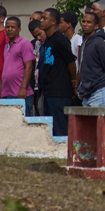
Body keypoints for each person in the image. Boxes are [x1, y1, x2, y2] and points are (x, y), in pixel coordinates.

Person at [37, 8, 77, 137]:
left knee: (61, 130)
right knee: (49, 131)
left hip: (60, 92)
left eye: (44, 18)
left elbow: (71, 62)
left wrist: (73, 82)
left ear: (53, 21)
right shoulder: (48, 40)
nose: (41, 21)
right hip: (48, 92)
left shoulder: (60, 39)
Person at [76, 11, 105, 107]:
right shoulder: (84, 42)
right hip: (86, 92)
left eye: (89, 22)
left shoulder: (99, 42)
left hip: (99, 91)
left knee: (99, 121)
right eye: (84, 21)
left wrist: (101, 80)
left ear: (96, 26)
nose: (85, 24)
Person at [0, 17, 35, 115]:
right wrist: (0, 86)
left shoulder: (25, 44)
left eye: (13, 27)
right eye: (7, 27)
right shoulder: (6, 46)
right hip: (7, 93)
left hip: (20, 93)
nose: (10, 29)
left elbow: (29, 67)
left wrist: (23, 88)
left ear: (19, 29)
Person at [29, 19, 45, 116]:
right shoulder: (33, 44)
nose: (38, 38)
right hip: (36, 83)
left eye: (40, 34)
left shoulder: (50, 43)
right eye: (35, 36)